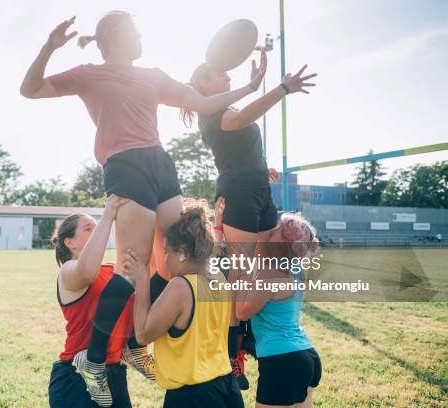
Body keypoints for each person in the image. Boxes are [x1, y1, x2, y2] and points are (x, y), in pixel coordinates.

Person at [20, 10, 264, 401]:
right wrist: (48, 49)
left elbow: (202, 103)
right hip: (126, 163)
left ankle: (135, 343)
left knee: (172, 263)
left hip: (160, 163)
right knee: (132, 265)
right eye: (134, 31)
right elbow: (29, 89)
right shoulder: (90, 74)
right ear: (115, 37)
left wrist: (249, 87)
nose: (141, 37)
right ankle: (95, 360)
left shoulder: (152, 74)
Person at [182, 48, 316, 387]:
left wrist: (261, 167)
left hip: (257, 188)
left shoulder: (224, 108)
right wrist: (280, 89)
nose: (228, 73)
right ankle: (233, 353)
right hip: (239, 194)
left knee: (274, 261)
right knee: (239, 279)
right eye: (220, 72)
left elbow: (242, 142)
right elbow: (241, 121)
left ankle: (260, 334)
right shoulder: (210, 114)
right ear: (203, 82)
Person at [123, 202, 244, 408]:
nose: (165, 259)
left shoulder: (180, 286)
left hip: (194, 396)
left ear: (182, 252)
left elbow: (143, 334)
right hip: (226, 385)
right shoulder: (218, 277)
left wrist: (143, 282)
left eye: (166, 252)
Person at [49, 194, 139, 408]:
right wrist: (108, 215)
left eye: (97, 226)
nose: (98, 230)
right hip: (75, 379)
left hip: (113, 374)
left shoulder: (109, 271)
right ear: (69, 242)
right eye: (89, 228)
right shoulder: (69, 270)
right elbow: (87, 272)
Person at [236, 213, 322, 407]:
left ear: (281, 242)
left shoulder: (270, 274)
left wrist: (242, 273)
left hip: (283, 360)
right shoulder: (298, 268)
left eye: (275, 229)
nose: (270, 231)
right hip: (307, 354)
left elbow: (242, 312)